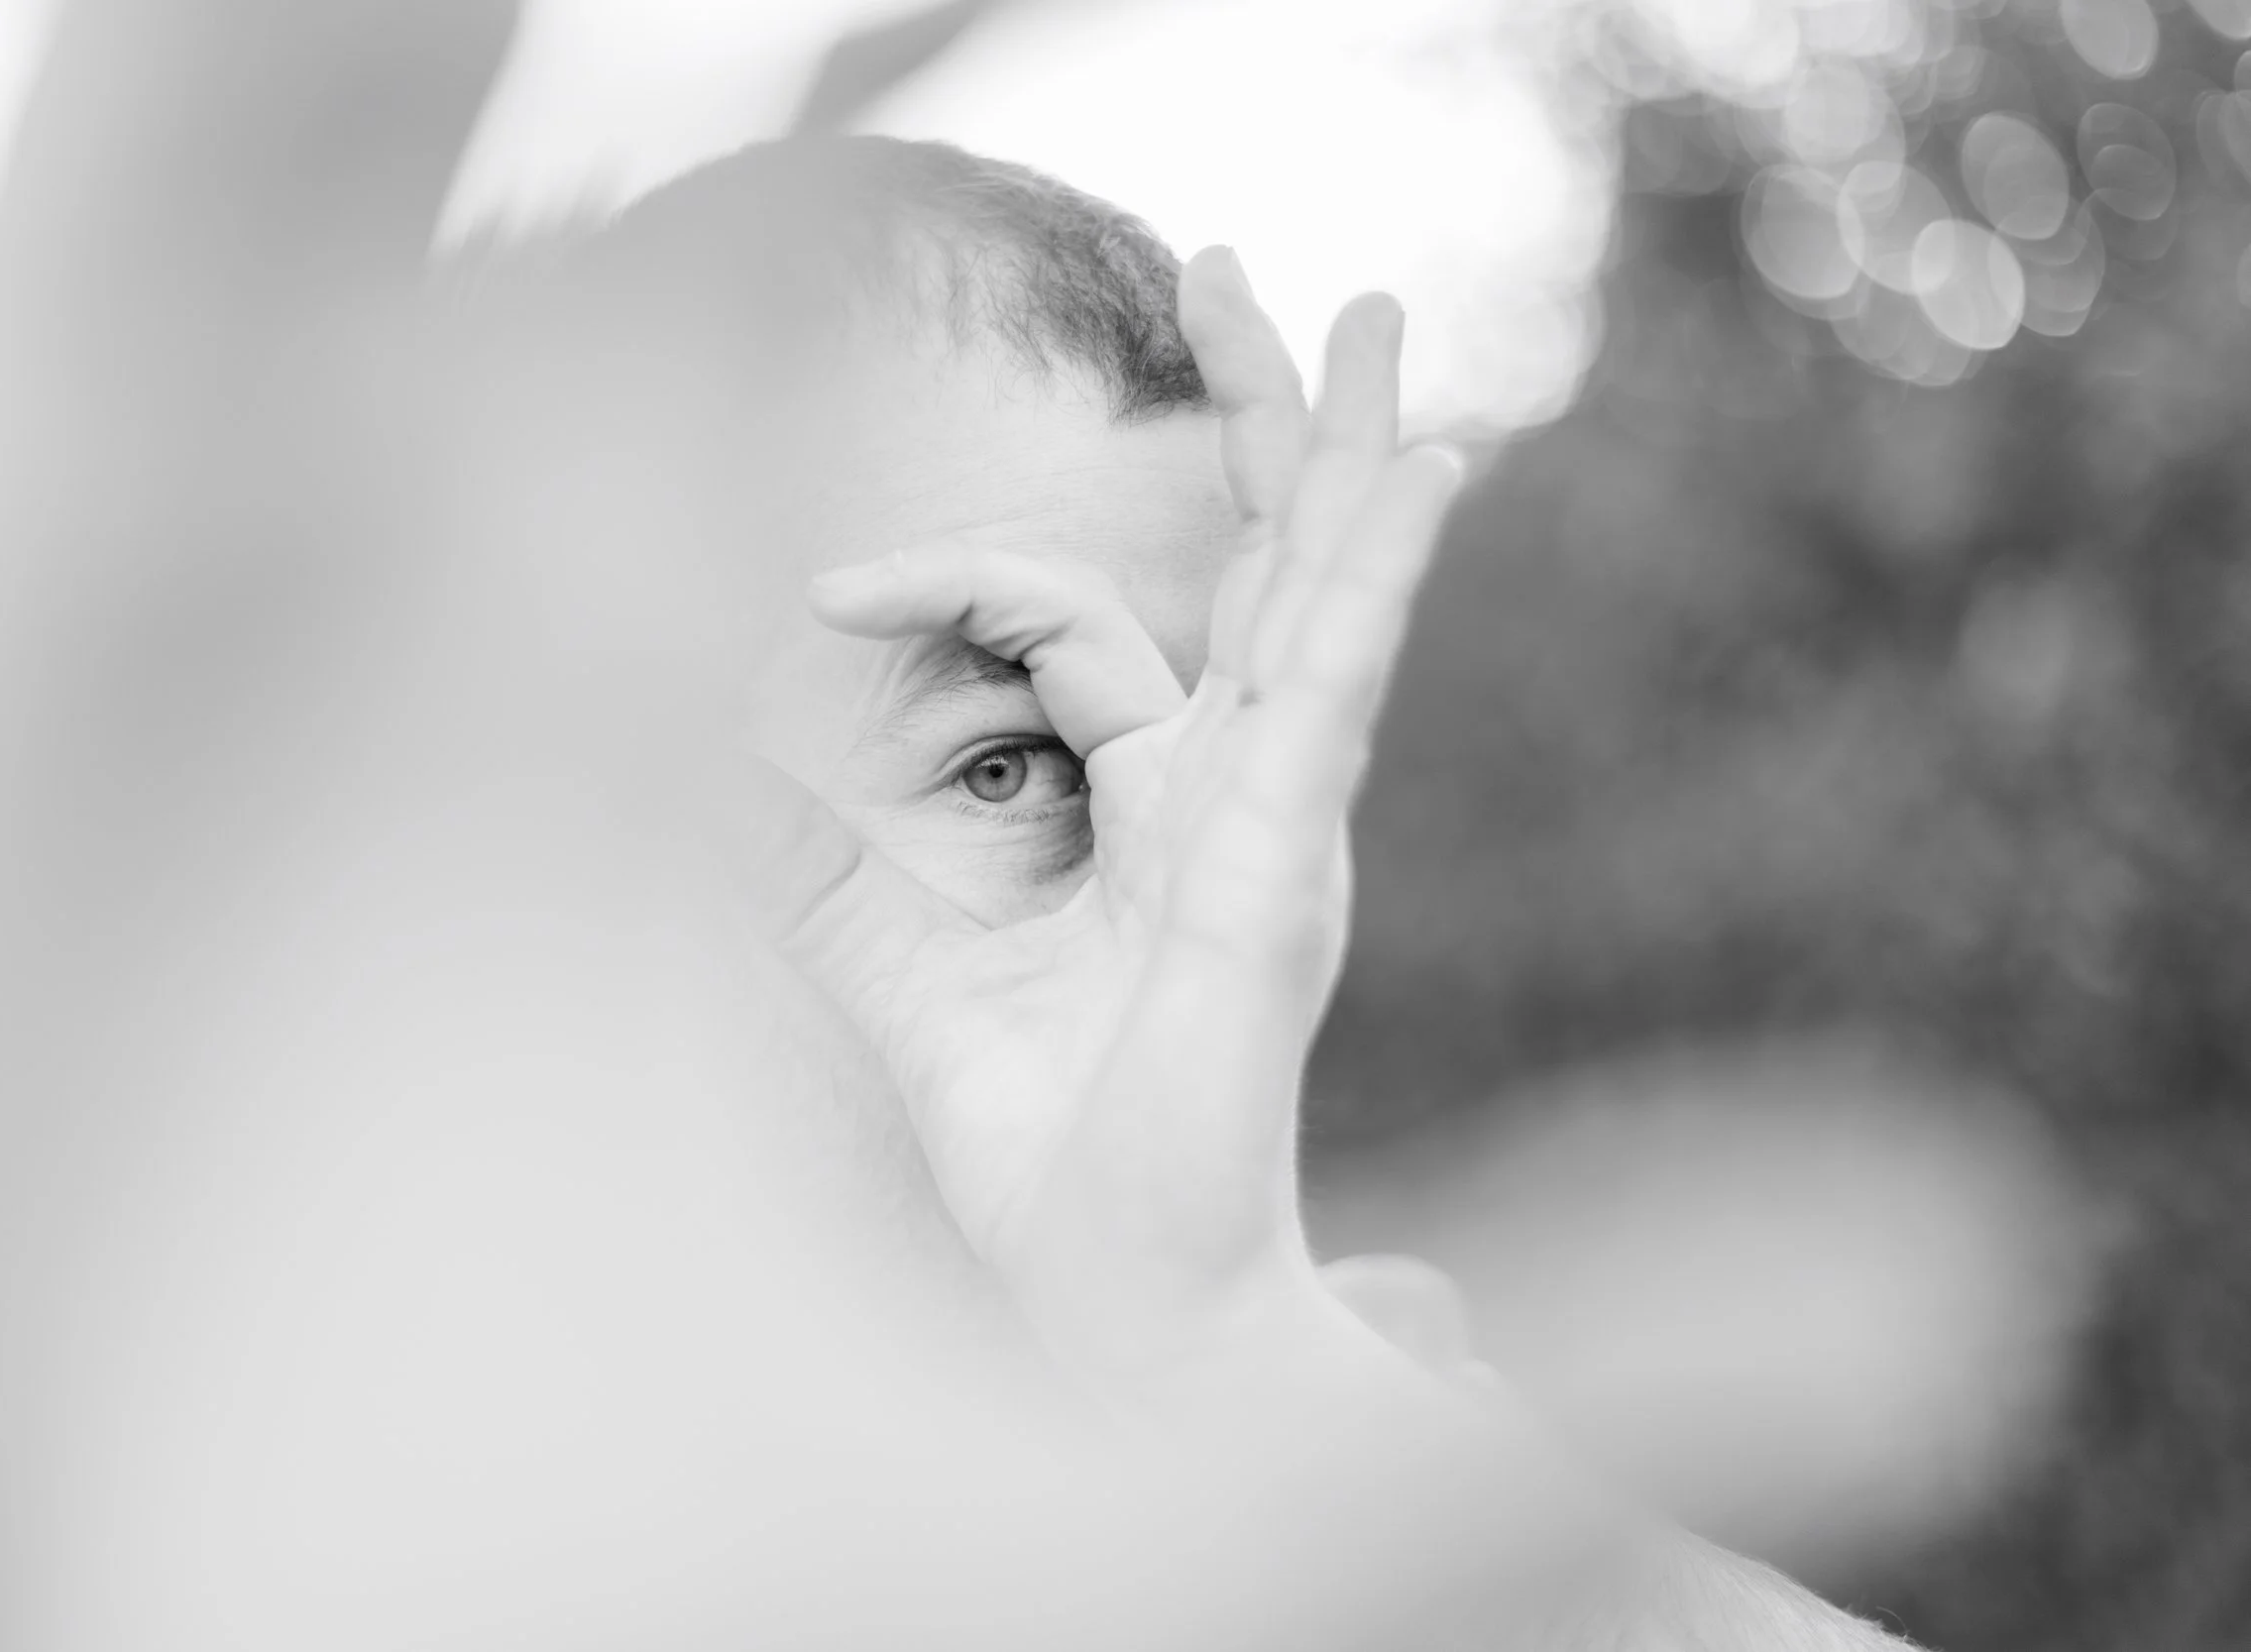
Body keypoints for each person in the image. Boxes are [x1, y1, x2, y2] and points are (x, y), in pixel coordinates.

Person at [575, 133, 1917, 1648]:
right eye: (1020, 765)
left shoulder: (1339, 1447)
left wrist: (1238, 1361)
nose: (1164, 908)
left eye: (1216, 767)